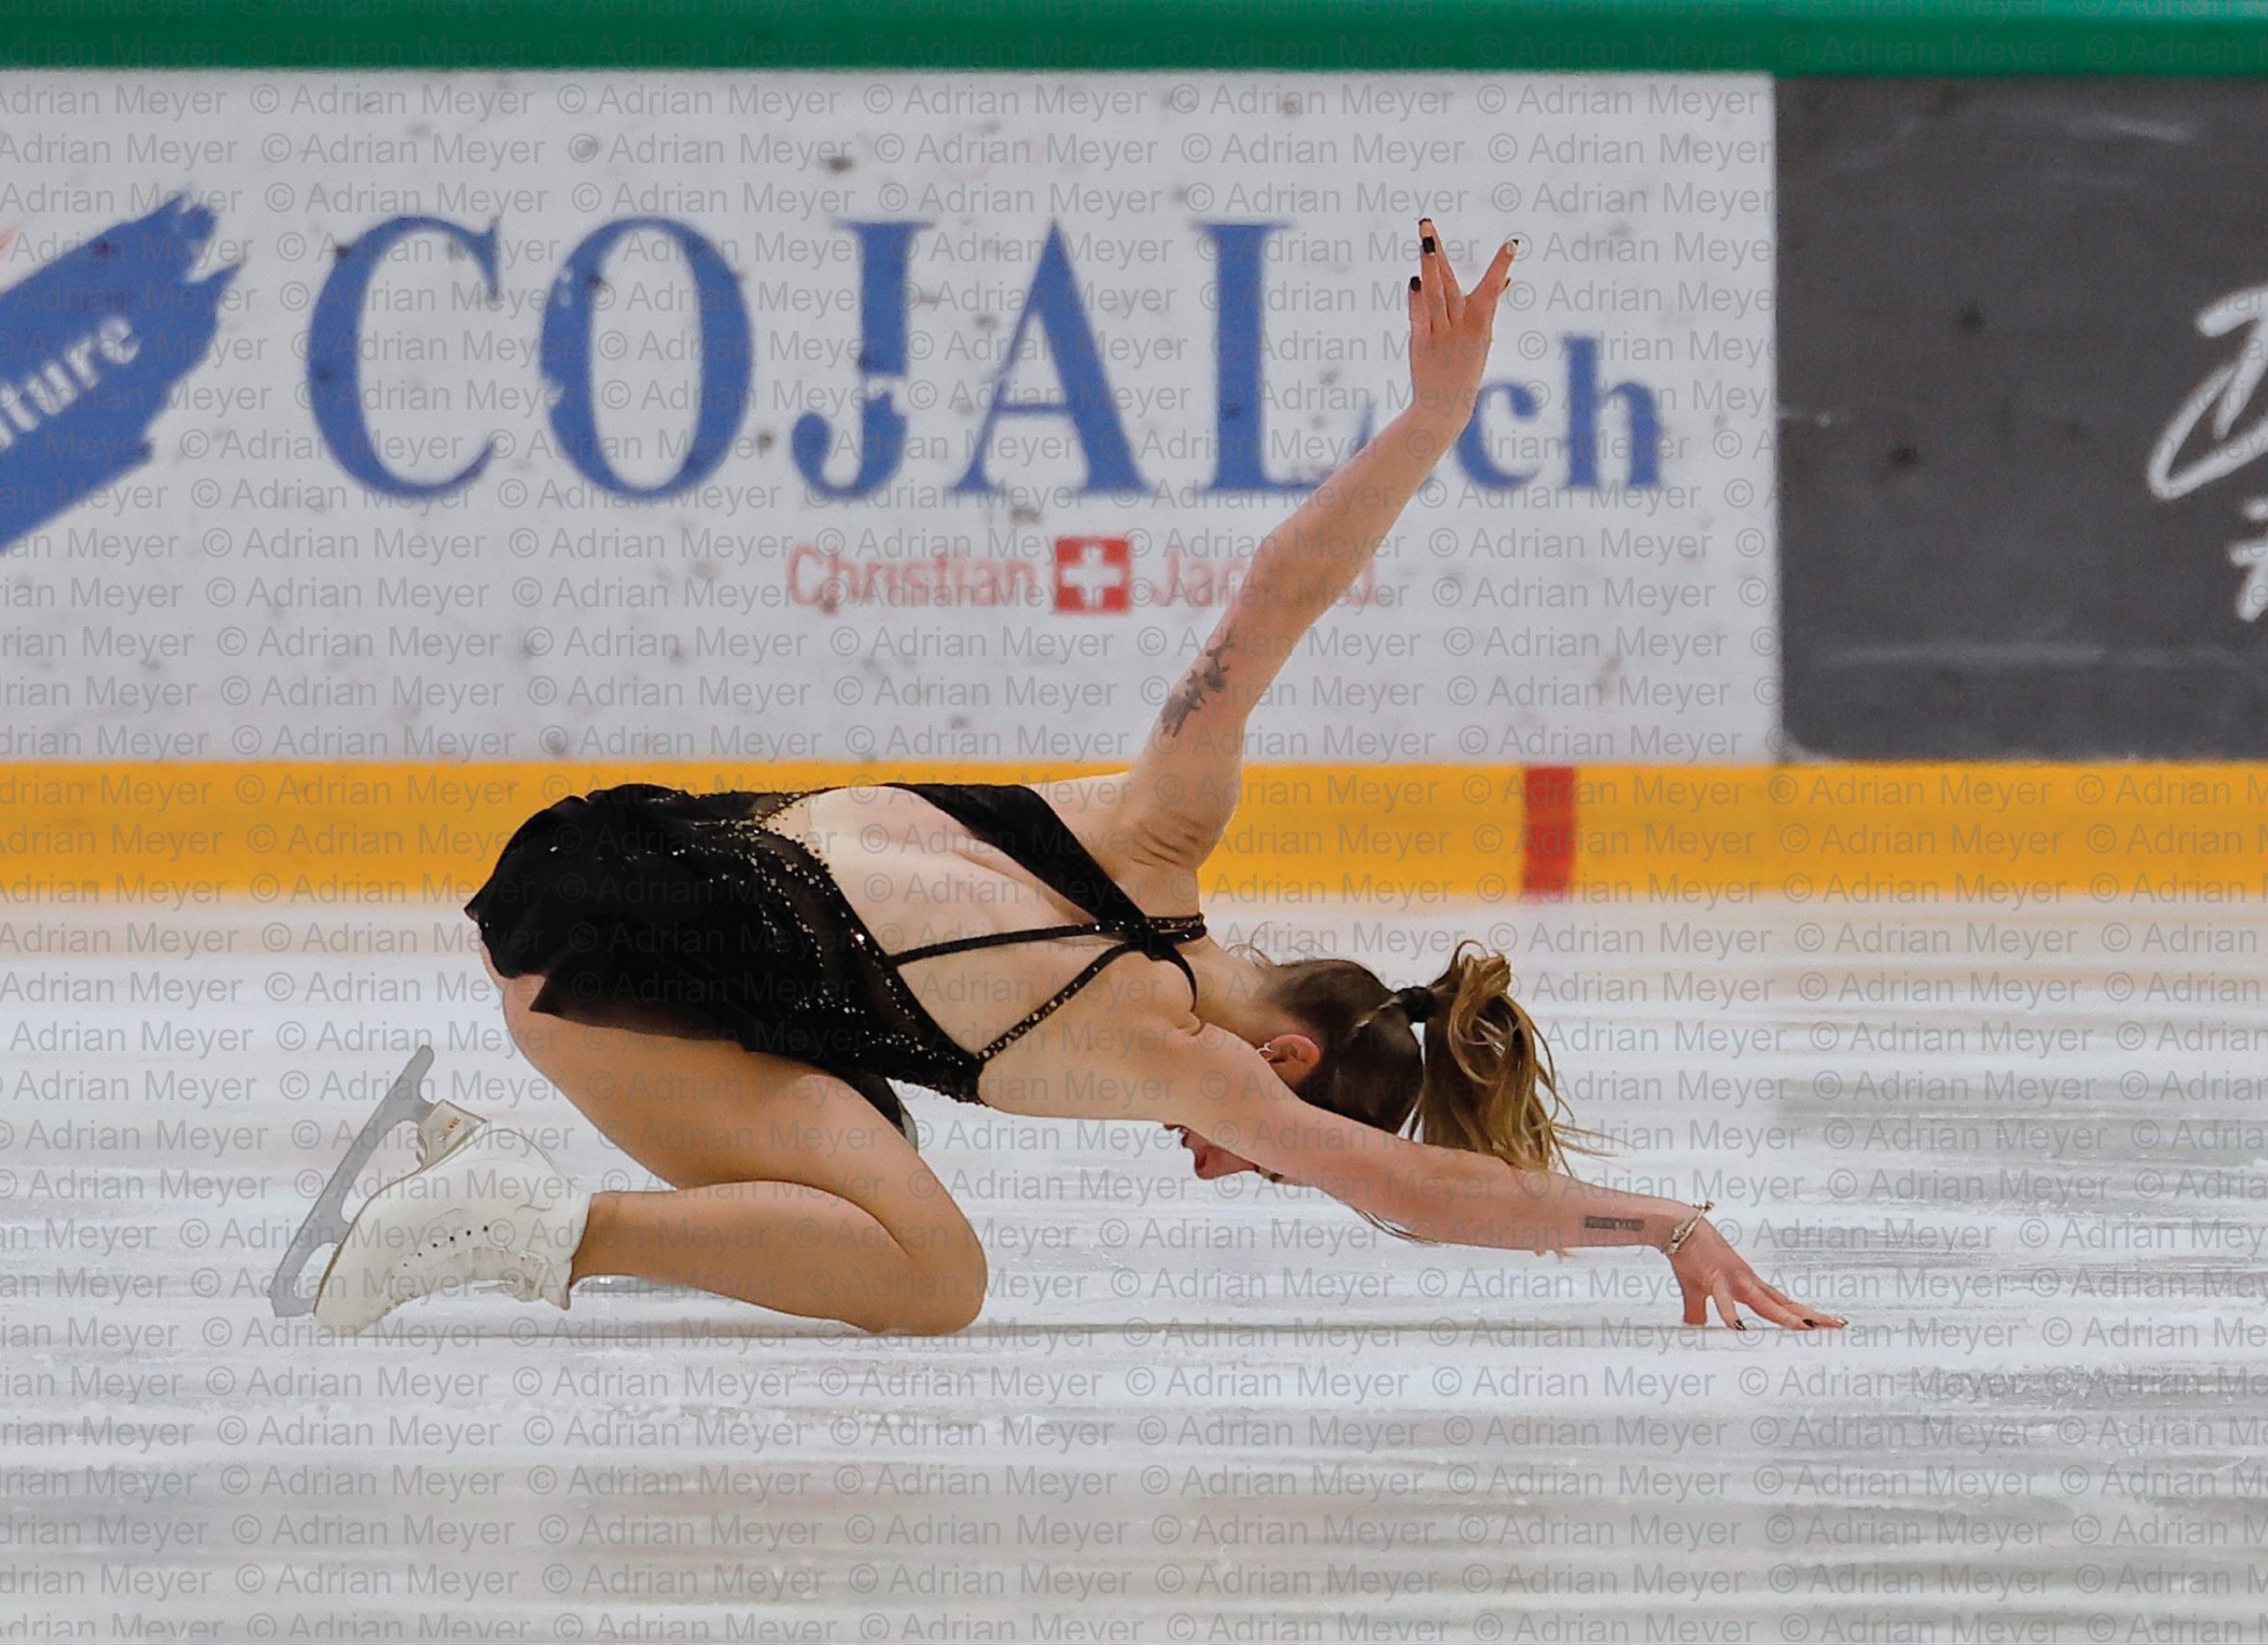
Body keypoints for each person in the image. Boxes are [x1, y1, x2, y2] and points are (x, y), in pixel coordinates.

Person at [310, 218, 1844, 1340]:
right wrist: (1668, 1224)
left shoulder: (1158, 830)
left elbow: (1277, 597)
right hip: (599, 968)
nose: (1213, 1162)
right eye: (1258, 1160)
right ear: (1292, 1072)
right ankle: (522, 1223)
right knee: (932, 1277)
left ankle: (436, 1166)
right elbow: (1420, 1196)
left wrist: (1435, 414)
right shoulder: (1184, 1054)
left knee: (883, 1156)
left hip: (604, 851)